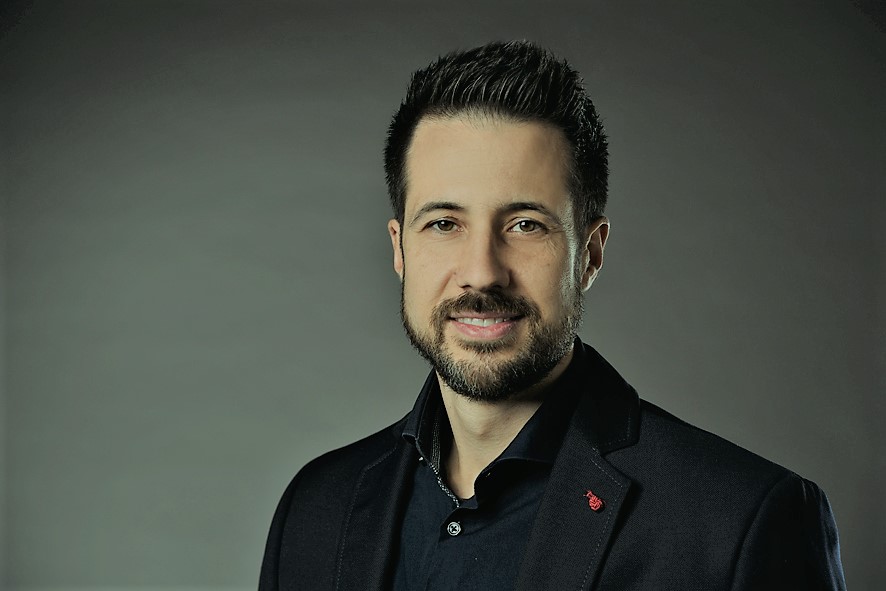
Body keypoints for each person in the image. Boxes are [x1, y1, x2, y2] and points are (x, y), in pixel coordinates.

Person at [259, 41, 846, 590]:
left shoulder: (742, 521)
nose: (482, 272)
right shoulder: (316, 508)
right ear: (399, 249)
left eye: (525, 225)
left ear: (589, 253)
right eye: (443, 223)